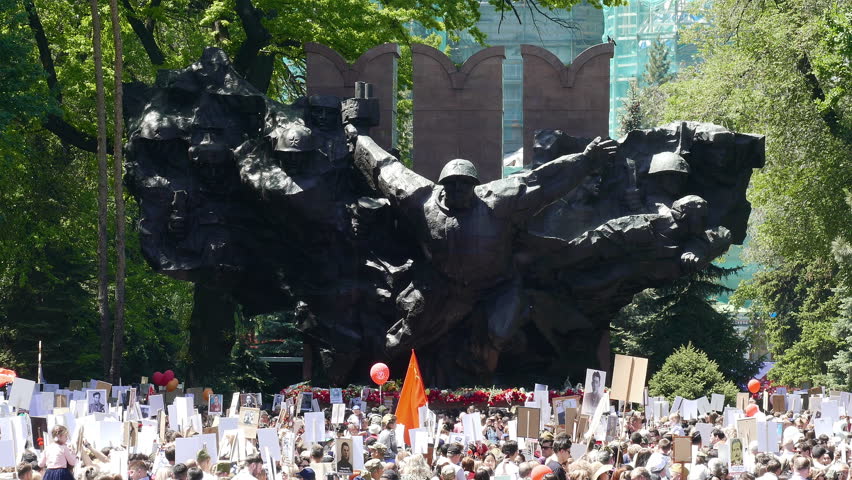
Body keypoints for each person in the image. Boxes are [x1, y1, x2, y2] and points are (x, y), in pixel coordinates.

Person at [352, 130, 617, 371]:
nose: (457, 189)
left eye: (464, 184)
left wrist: (586, 161)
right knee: (404, 337)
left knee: (496, 334)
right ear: (442, 185)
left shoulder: (498, 200)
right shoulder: (419, 199)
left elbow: (542, 183)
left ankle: (488, 388)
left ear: (474, 186)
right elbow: (384, 167)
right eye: (452, 184)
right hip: (445, 287)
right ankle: (373, 380)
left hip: (497, 285)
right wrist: (356, 139)